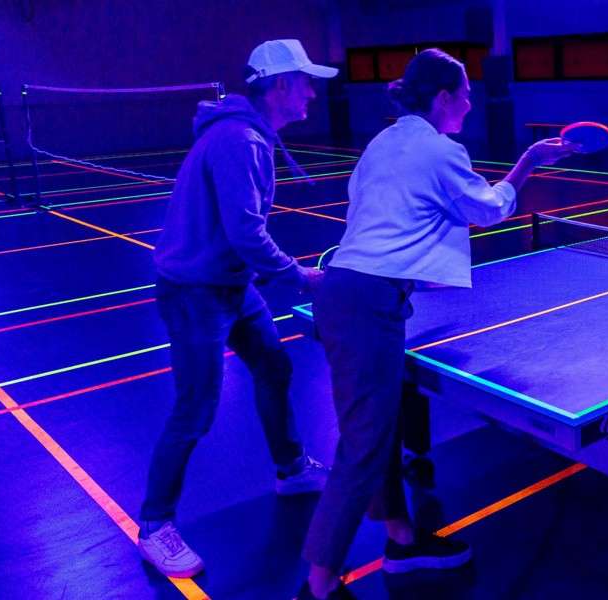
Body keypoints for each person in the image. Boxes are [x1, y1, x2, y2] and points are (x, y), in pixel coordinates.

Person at [297, 49, 575, 599]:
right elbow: (489, 210)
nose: (470, 104)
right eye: (465, 95)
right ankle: (319, 585)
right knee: (362, 446)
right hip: (368, 303)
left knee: (378, 432)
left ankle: (402, 539)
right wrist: (528, 162)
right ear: (443, 97)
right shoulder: (440, 150)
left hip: (345, 291)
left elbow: (376, 209)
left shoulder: (383, 142)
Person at [137, 39, 337, 578]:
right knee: (196, 407)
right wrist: (300, 276)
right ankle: (155, 525)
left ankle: (291, 469)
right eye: (305, 83)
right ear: (280, 86)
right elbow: (245, 233)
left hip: (230, 284)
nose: (312, 94)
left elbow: (242, 239)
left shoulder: (251, 134)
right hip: (195, 291)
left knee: (274, 366)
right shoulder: (238, 140)